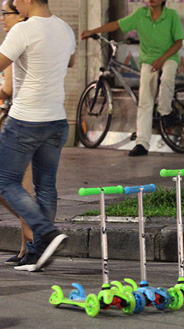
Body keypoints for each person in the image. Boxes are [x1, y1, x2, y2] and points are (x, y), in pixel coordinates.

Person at [0, 0, 76, 271]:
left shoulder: (23, 30)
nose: (12, 4)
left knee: (4, 181)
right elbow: (71, 60)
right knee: (45, 187)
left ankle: (46, 232)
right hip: (56, 119)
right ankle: (37, 252)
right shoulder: (65, 29)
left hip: (26, 120)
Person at [80, 0, 184, 156]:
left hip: (168, 57)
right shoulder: (141, 14)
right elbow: (117, 24)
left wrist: (162, 59)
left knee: (167, 78)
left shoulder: (171, 15)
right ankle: (142, 144)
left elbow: (178, 42)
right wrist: (92, 31)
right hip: (148, 60)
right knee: (144, 101)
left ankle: (165, 112)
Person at [0, 0, 33, 266]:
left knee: (17, 188)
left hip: (17, 123)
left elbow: (8, 89)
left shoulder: (16, 40)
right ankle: (26, 247)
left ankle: (34, 240)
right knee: (22, 187)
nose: (3, 18)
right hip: (23, 121)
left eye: (6, 13)